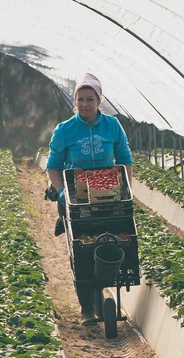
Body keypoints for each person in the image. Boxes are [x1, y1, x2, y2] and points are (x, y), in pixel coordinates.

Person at [45, 73, 133, 321]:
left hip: (108, 193)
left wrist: (126, 187)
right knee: (81, 247)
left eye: (90, 99)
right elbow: (53, 165)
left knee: (110, 239)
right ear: (75, 102)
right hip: (78, 195)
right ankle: (86, 306)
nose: (85, 104)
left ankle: (102, 290)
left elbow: (124, 159)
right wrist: (63, 192)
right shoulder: (65, 130)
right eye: (80, 99)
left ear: (99, 100)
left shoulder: (112, 126)